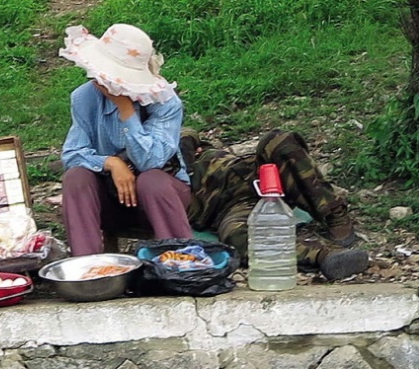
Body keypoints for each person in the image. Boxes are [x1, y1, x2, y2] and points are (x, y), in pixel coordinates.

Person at [58, 24, 194, 256]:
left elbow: (150, 161)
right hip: (111, 198)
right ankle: (87, 266)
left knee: (151, 180)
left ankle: (178, 261)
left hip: (161, 197)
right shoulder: (84, 98)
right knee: (76, 177)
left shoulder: (165, 103)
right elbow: (72, 154)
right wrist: (112, 163)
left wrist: (126, 111)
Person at [180, 128, 369, 281]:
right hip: (230, 209)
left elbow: (187, 132)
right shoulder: (154, 181)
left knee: (278, 139)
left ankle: (333, 212)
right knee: (237, 238)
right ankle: (324, 256)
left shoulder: (164, 145)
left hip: (256, 173)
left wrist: (183, 152)